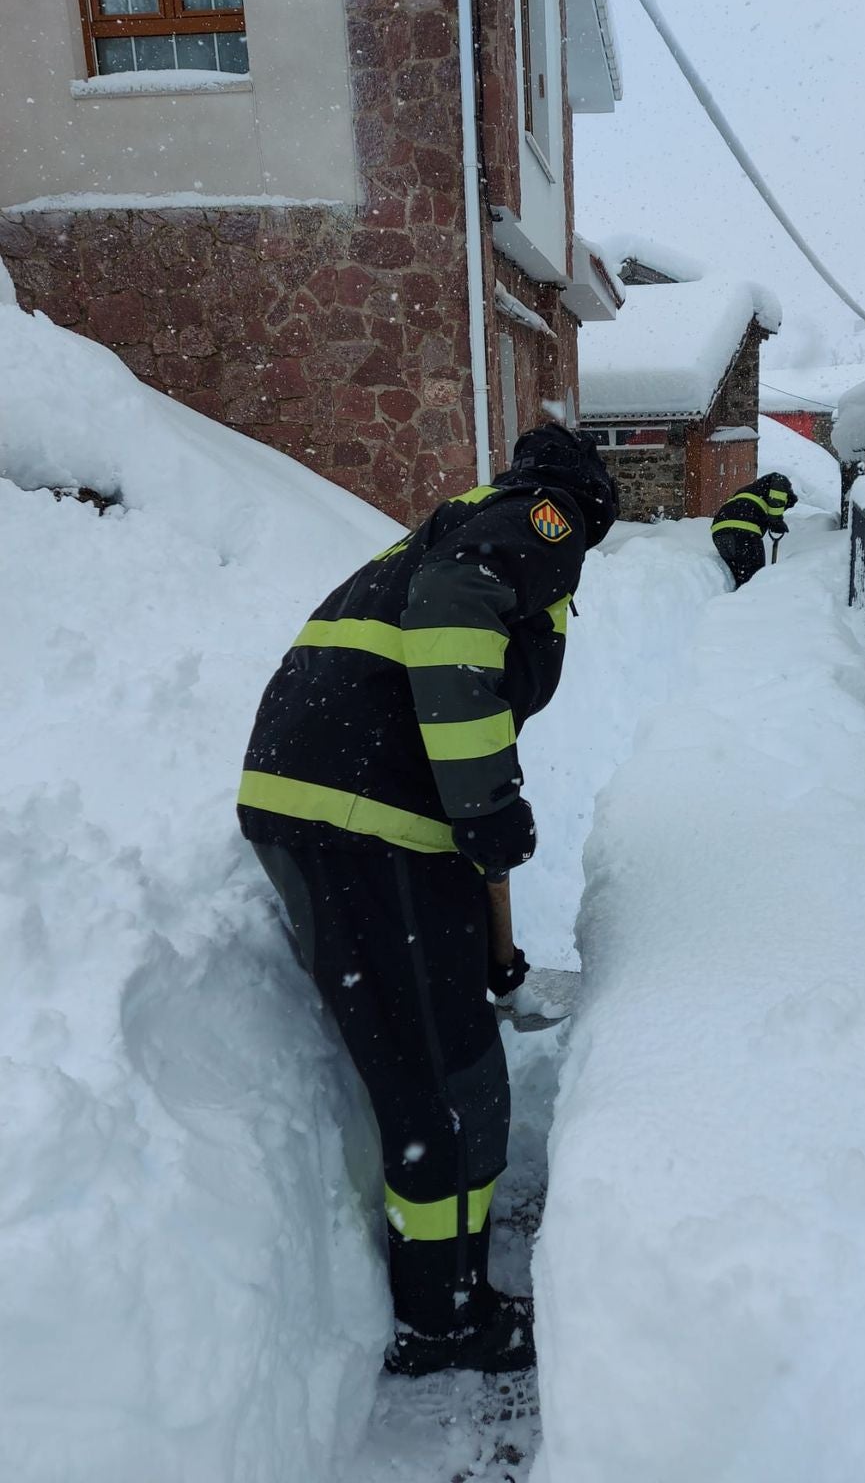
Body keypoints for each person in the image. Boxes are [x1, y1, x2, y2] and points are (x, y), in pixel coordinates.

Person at [235, 422, 618, 1377]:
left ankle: (448, 1285)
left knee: (440, 1057)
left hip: (341, 806)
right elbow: (453, 624)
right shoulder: (545, 519)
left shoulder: (455, 525)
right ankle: (445, 1319)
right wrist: (486, 804)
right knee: (443, 1081)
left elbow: (454, 681)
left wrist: (496, 954)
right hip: (361, 819)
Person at [710, 471, 798, 587]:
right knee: (755, 579)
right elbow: (777, 491)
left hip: (719, 532)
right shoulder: (779, 480)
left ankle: (734, 601)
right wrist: (776, 519)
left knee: (741, 577)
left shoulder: (750, 491)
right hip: (742, 530)